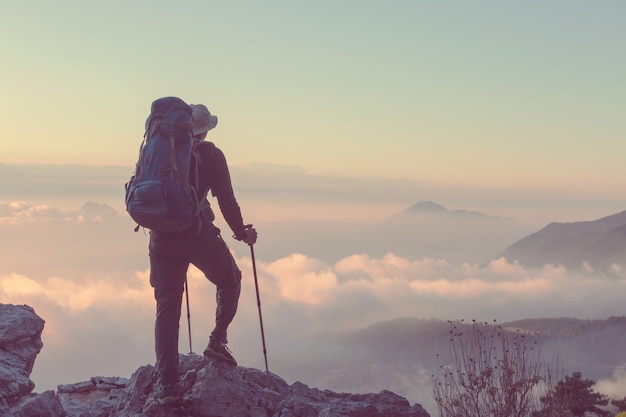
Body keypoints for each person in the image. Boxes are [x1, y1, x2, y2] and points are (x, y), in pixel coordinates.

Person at [149, 103, 257, 404]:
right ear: (205, 129)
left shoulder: (157, 150)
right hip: (195, 233)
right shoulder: (211, 154)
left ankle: (167, 385)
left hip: (160, 235)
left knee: (167, 308)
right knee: (231, 279)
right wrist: (241, 233)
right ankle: (217, 340)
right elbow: (226, 200)